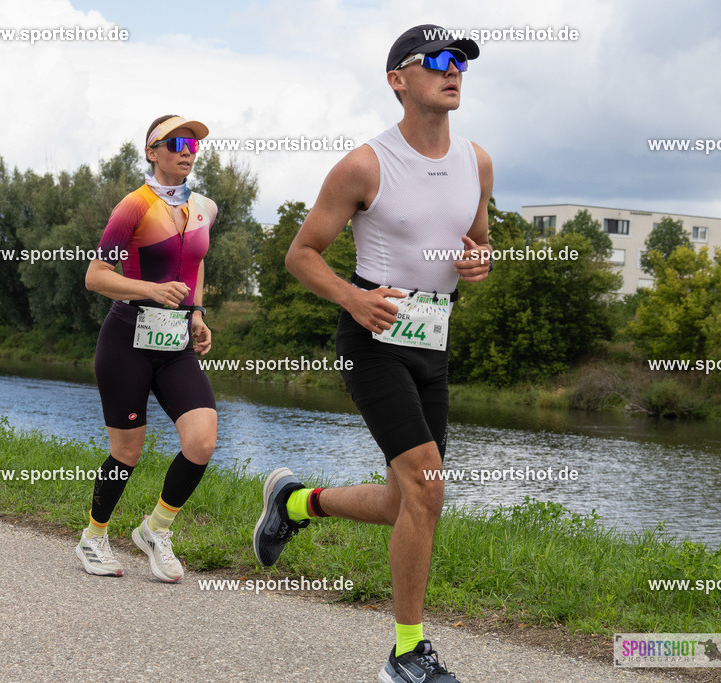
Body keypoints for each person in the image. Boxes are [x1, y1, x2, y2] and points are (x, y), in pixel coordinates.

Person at [252, 25, 492, 683]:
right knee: (427, 486)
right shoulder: (365, 165)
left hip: (432, 342)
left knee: (403, 501)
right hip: (373, 339)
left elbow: (477, 242)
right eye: (439, 61)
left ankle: (295, 503)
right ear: (399, 80)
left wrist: (479, 264)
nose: (455, 72)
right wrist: (354, 301)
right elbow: (300, 254)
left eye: (462, 63)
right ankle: (406, 654)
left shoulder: (478, 160)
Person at [77, 115, 218, 583]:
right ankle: (94, 537)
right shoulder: (132, 207)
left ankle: (156, 529)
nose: (187, 149)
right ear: (152, 151)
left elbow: (194, 267)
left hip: (175, 340)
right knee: (127, 452)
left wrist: (196, 313)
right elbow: (95, 277)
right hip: (126, 339)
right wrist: (149, 291)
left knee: (202, 440)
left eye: (193, 143)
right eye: (176, 142)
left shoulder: (205, 208)